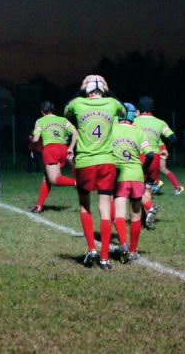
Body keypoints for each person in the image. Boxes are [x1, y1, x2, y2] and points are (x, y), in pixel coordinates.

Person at [64, 75, 125, 269]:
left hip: (84, 162)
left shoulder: (77, 103)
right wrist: (109, 90)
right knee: (106, 211)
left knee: (84, 206)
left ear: (85, 89)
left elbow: (66, 110)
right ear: (104, 89)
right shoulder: (112, 103)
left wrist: (80, 90)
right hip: (107, 161)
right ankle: (105, 257)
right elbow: (123, 110)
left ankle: (92, 249)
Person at [111, 103, 155, 264]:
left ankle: (123, 244)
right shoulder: (138, 131)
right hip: (137, 175)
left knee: (120, 215)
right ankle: (133, 251)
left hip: (120, 176)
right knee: (136, 215)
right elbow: (150, 154)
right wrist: (142, 168)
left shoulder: (112, 129)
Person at [133, 96, 180, 227]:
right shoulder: (160, 122)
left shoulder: (134, 121)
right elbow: (173, 138)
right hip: (155, 158)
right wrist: (166, 149)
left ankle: (149, 210)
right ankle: (147, 218)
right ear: (152, 108)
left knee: (137, 190)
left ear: (140, 108)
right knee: (147, 189)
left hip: (140, 157)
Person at [29, 100, 78, 213]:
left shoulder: (40, 121)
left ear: (42, 112)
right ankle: (39, 206)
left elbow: (36, 139)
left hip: (50, 149)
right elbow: (75, 133)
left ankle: (77, 183)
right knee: (46, 179)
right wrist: (70, 147)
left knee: (54, 179)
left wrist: (32, 143)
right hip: (63, 149)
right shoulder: (63, 120)